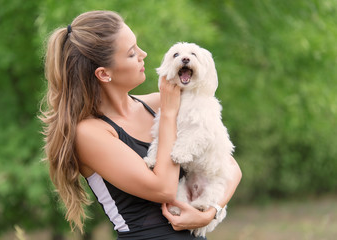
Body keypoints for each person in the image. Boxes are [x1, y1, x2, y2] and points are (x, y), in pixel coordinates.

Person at [40, 10, 242, 240]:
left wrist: (211, 213)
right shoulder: (89, 133)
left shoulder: (158, 102)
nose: (143, 54)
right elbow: (164, 188)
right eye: (131, 53)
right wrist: (168, 114)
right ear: (104, 74)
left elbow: (230, 166)